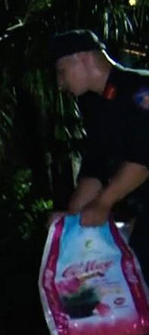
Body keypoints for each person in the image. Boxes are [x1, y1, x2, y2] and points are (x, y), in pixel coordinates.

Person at [52, 29, 149, 261]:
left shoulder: (140, 88)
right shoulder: (95, 105)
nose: (60, 83)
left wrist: (103, 202)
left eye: (62, 72)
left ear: (83, 58)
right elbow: (96, 163)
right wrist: (72, 219)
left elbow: (143, 157)